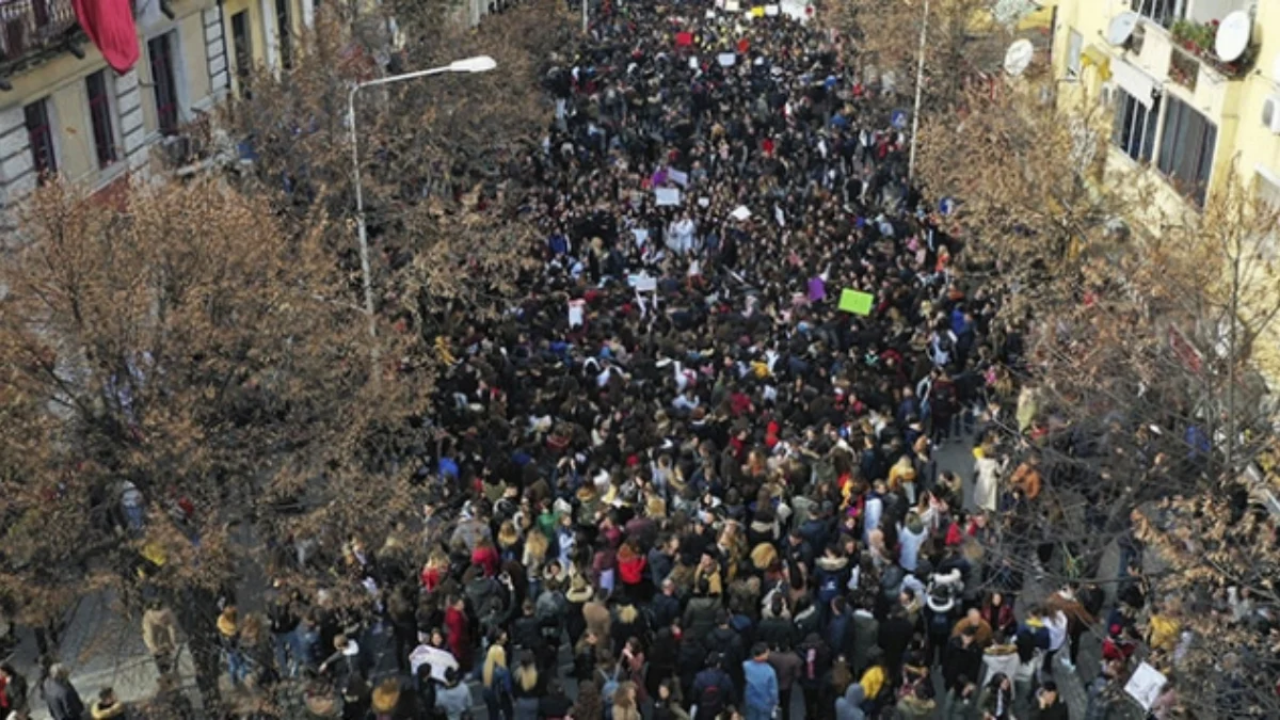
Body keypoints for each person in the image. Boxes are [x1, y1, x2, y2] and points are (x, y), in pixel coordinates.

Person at [742, 642, 779, 720]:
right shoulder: (770, 671)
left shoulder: (746, 665)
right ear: (762, 655)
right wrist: (774, 703)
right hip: (765, 703)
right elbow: (773, 691)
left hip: (750, 700)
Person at [481, 644, 512, 720]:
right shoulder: (503, 670)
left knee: (493, 714)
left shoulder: (485, 666)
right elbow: (508, 687)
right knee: (507, 713)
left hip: (490, 694)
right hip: (501, 695)